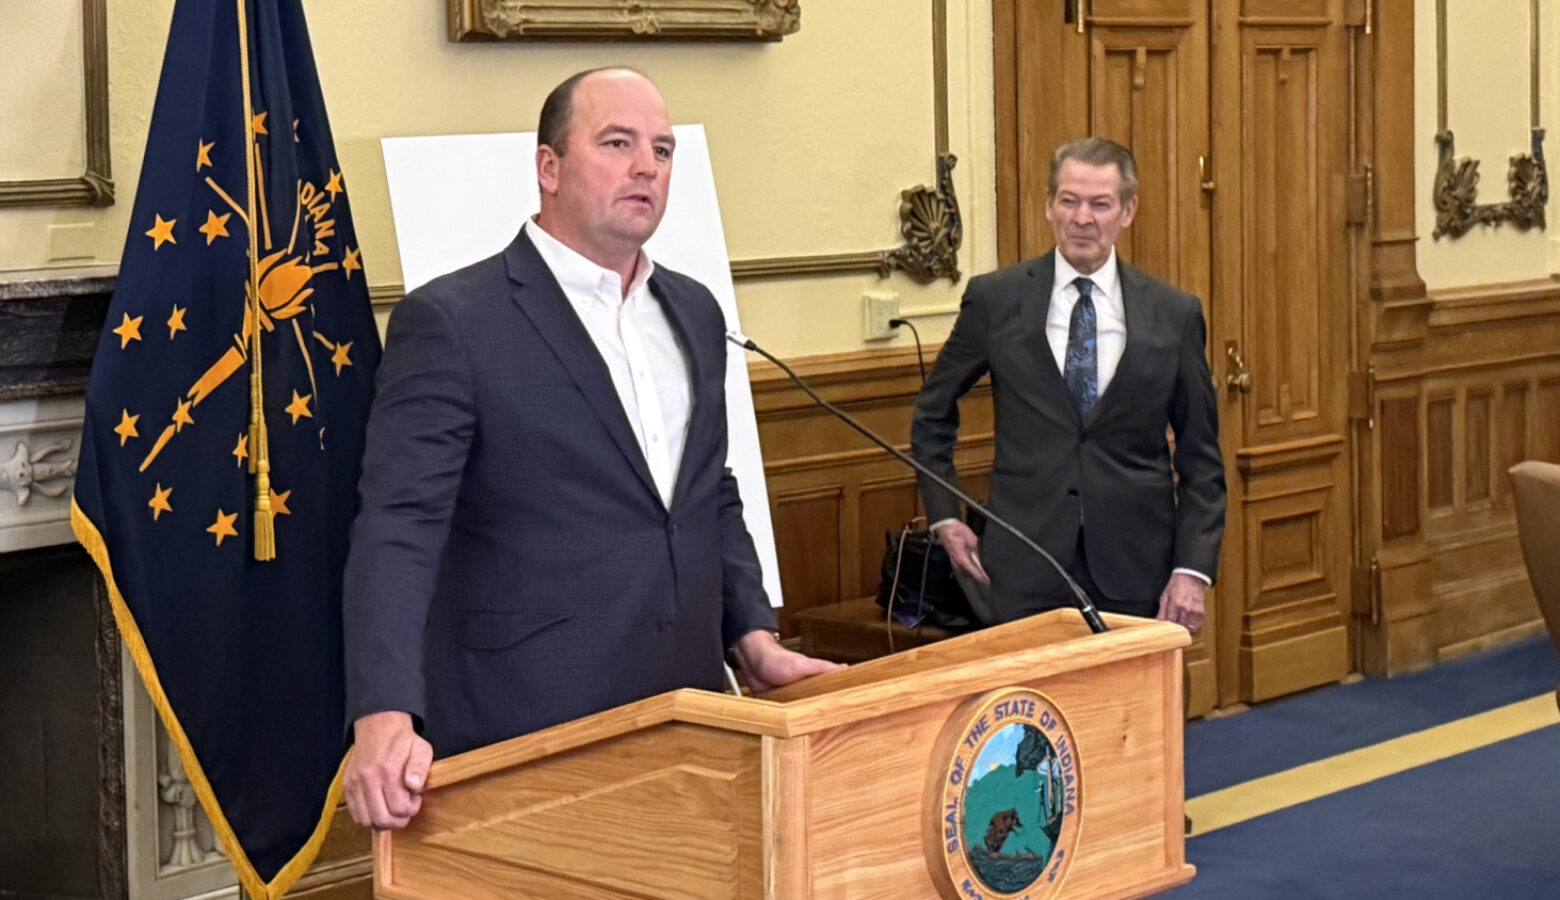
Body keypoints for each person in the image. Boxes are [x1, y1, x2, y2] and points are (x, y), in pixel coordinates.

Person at [340, 67, 841, 830]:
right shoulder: (453, 321)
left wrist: (754, 635)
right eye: (618, 143)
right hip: (530, 727)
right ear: (549, 167)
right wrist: (382, 711)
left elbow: (710, 492)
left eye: (663, 150)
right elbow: (398, 528)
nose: (648, 166)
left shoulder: (695, 310)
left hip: (690, 715)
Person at [910, 137, 1225, 630]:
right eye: (1069, 201)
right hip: (1022, 567)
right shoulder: (996, 301)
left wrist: (1193, 570)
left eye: (1101, 204)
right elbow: (932, 414)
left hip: (1137, 570)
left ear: (1128, 211)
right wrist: (946, 516)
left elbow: (1201, 459)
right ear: (1049, 206)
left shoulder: (1173, 314)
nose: (1083, 218)